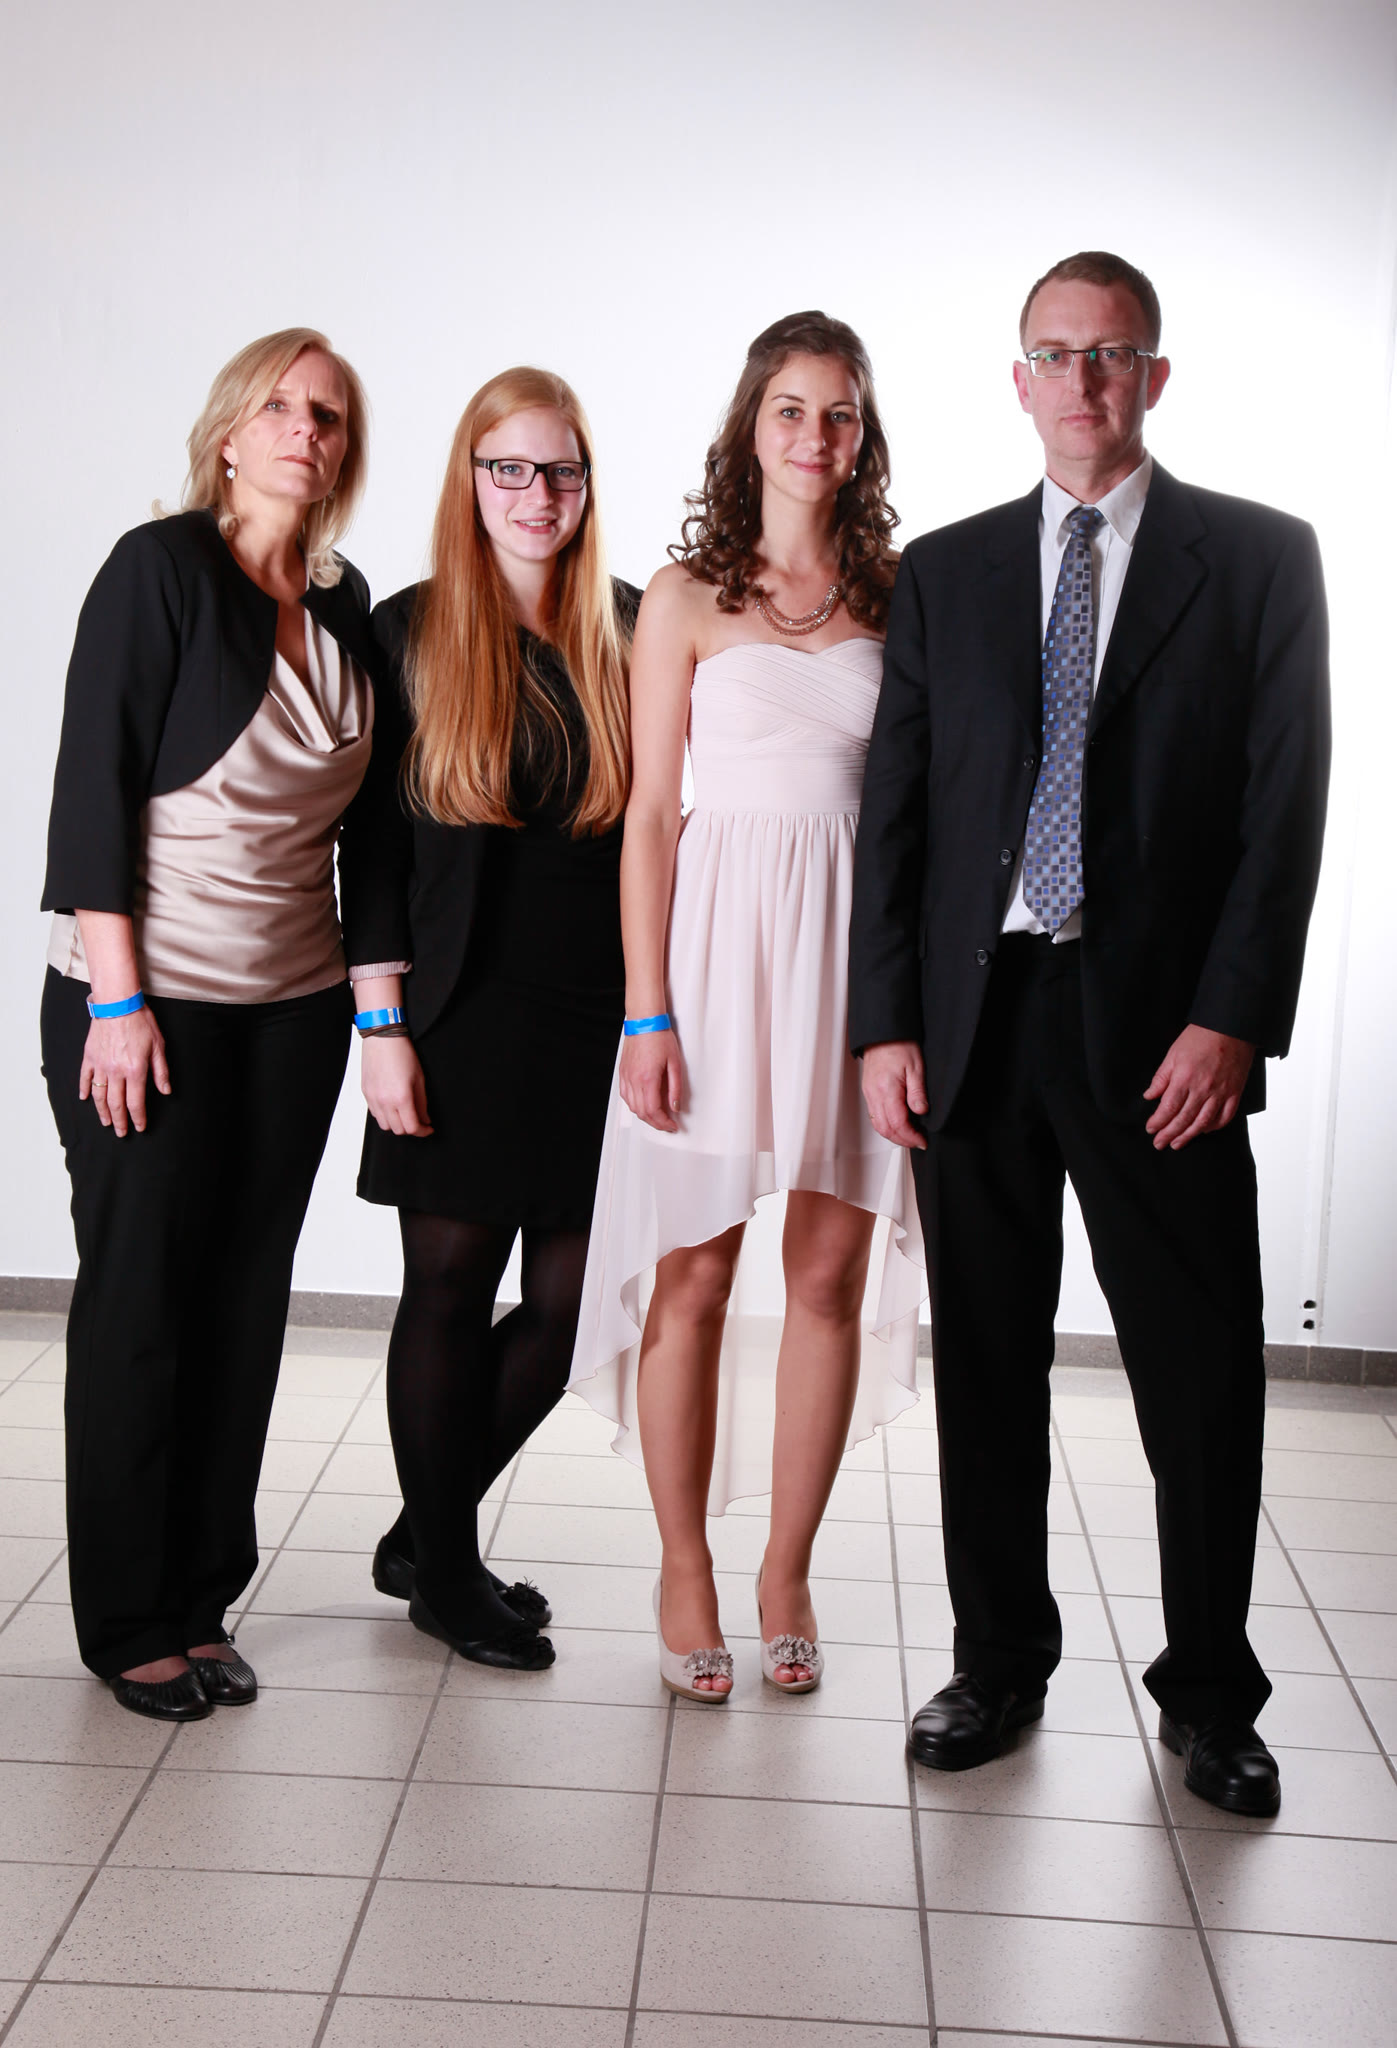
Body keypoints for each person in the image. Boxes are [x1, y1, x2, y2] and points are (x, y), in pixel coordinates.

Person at [851, 251, 1330, 1815]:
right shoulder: (948, 571)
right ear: (1016, 381)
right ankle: (996, 1662)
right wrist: (884, 1023)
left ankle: (1211, 1695)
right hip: (975, 1020)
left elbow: (1282, 809)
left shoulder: (1255, 559)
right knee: (987, 1362)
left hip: (1160, 1037)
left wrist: (1230, 1020)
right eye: (1054, 355)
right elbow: (896, 815)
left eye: (1110, 354)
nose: (1082, 382)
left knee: (1197, 1373)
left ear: (1154, 376)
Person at [569, 312, 923, 1703]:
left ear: (862, 436)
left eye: (839, 413)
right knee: (695, 1271)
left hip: (851, 959)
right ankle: (682, 1567)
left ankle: (786, 1569)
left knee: (828, 1278)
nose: (813, 436)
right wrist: (645, 1012)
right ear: (749, 425)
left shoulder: (901, 594)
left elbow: (923, 813)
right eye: (790, 409)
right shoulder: (682, 597)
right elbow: (652, 815)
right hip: (713, 958)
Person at [40, 328, 378, 1721]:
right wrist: (116, 1002)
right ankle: (128, 1619)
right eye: (281, 407)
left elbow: (369, 834)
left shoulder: (346, 602)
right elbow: (92, 787)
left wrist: (373, 1006)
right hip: (149, 1004)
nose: (307, 430)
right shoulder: (160, 567)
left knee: (243, 1307)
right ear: (230, 433)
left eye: (330, 415)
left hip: (291, 1012)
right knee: (141, 1304)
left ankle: (197, 1599)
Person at [344, 368, 636, 1672]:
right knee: (451, 1288)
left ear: (586, 484)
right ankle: (448, 1575)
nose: (535, 494)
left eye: (559, 470)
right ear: (470, 481)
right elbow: (371, 851)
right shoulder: (408, 631)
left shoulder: (631, 626)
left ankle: (425, 1532)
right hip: (457, 1013)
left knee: (573, 1306)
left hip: (600, 1017)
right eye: (508, 468)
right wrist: (381, 1028)